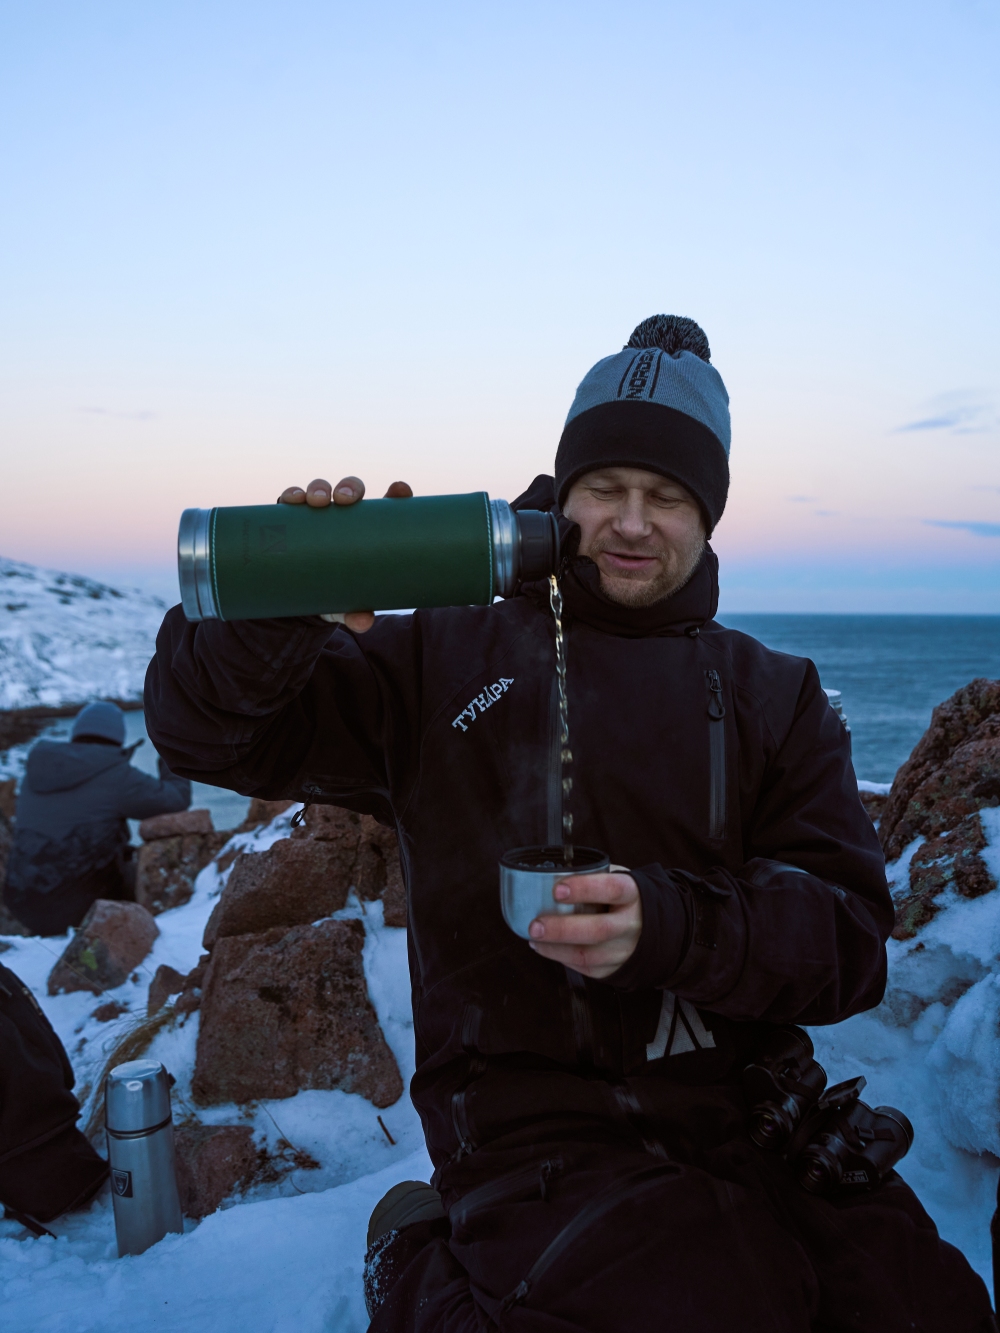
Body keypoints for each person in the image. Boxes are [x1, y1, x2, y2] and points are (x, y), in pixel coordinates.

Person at [144, 316, 995, 1332]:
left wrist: (670, 926)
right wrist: (277, 616)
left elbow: (848, 946)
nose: (632, 522)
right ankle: (411, 1260)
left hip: (756, 1109)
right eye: (606, 487)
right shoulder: (440, 656)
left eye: (667, 496)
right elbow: (210, 735)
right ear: (562, 492)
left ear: (709, 514)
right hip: (529, 1126)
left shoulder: (773, 693)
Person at [3, 701, 191, 936]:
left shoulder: (36, 771)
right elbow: (176, 799)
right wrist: (172, 754)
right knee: (157, 864)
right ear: (118, 735)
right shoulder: (115, 773)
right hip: (80, 905)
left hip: (22, 903)